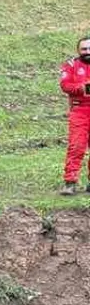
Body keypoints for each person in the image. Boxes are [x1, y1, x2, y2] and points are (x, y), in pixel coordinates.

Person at [60, 35, 90, 194]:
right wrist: (83, 87)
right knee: (76, 146)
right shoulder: (71, 65)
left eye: (89, 48)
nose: (87, 52)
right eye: (84, 49)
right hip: (79, 110)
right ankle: (70, 182)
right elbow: (65, 85)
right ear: (78, 50)